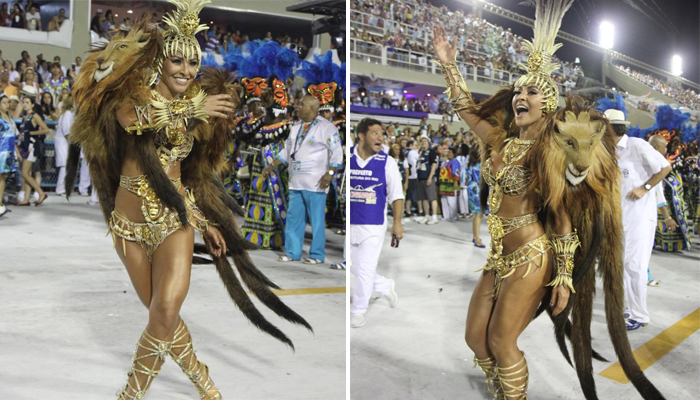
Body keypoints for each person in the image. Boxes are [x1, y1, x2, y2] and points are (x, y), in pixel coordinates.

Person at [65, 3, 311, 398]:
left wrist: (205, 221)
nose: (186, 70)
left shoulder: (200, 106)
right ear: (161, 61)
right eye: (177, 60)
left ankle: (129, 395)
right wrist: (194, 107)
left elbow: (183, 180)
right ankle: (204, 382)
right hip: (127, 229)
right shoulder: (133, 95)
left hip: (173, 225)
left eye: (193, 63)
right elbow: (136, 120)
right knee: (165, 318)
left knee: (163, 312)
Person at [432, 0, 664, 397]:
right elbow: (466, 110)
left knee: (503, 343)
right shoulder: (499, 141)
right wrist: (448, 63)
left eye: (532, 91)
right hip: (498, 256)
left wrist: (563, 278)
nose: (521, 95)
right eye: (519, 90)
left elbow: (562, 217)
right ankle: (502, 386)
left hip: (532, 256)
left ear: (548, 105)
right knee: (476, 338)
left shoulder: (549, 152)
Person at [606, 109, 671, 331]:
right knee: (623, 265)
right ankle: (632, 308)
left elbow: (665, 167)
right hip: (619, 218)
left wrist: (644, 188)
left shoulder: (637, 145)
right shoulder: (608, 152)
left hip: (640, 218)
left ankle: (640, 315)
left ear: (611, 128)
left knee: (635, 265)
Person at [262, 95, 343, 264]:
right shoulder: (296, 127)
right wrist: (271, 166)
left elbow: (336, 152)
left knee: (317, 222)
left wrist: (329, 173)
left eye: (301, 104)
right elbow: (286, 151)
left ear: (312, 109)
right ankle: (292, 252)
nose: (297, 107)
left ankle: (317, 255)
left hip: (316, 183)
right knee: (294, 220)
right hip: (296, 181)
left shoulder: (326, 128)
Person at [349, 118, 403, 328]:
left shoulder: (387, 162)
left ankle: (358, 310)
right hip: (350, 224)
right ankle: (384, 285)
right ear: (361, 136)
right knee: (353, 266)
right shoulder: (348, 157)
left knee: (364, 269)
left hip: (373, 225)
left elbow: (397, 196)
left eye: (382, 133)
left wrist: (397, 223)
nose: (381, 137)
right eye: (375, 133)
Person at [648, 133, 692, 252]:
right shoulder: (657, 163)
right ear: (657, 148)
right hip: (650, 206)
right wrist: (667, 217)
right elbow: (658, 191)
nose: (666, 149)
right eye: (665, 146)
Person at [16, 87, 48, 206]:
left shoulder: (34, 116)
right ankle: (26, 198)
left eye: (27, 102)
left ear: (32, 104)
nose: (24, 104)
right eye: (23, 102)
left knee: (24, 174)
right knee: (27, 173)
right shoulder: (25, 117)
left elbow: (45, 130)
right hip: (25, 147)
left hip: (31, 148)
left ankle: (41, 193)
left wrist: (31, 133)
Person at [0, 93, 19, 216]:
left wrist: (16, 152)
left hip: (9, 151)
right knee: (2, 177)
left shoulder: (9, 118)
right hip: (2, 151)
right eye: (4, 103)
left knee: (4, 177)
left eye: (8, 103)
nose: (7, 105)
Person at [415, 136, 438, 224]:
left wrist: (430, 177)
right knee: (424, 198)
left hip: (428, 177)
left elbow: (434, 165)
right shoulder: (421, 152)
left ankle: (434, 216)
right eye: (422, 141)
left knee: (432, 198)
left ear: (428, 142)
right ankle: (427, 215)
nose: (423, 142)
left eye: (425, 141)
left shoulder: (431, 152)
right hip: (421, 177)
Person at [54, 94, 73, 195]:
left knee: (65, 165)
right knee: (64, 165)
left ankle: (62, 187)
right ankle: (60, 188)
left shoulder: (66, 113)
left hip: (62, 142)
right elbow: (66, 131)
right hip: (63, 142)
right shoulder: (67, 114)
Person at [437, 146, 460, 221]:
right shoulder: (446, 162)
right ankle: (446, 216)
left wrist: (455, 182)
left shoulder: (455, 161)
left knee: (451, 200)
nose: (448, 154)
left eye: (450, 153)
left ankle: (453, 216)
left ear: (453, 154)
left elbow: (456, 172)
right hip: (444, 184)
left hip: (451, 183)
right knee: (444, 200)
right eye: (448, 152)